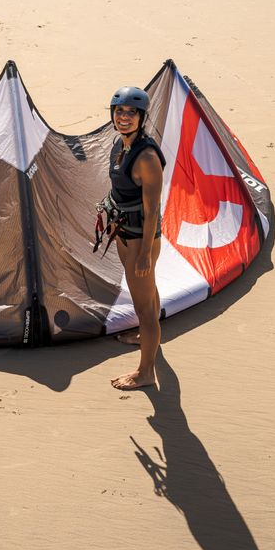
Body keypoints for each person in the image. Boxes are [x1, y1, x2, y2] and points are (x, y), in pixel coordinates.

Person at [105, 86, 165, 390]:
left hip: (141, 237)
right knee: (148, 290)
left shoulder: (148, 158)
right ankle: (145, 336)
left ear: (142, 117)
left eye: (131, 113)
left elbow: (152, 209)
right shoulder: (121, 144)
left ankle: (146, 372)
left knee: (144, 309)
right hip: (124, 232)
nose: (124, 117)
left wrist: (143, 255)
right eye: (119, 111)